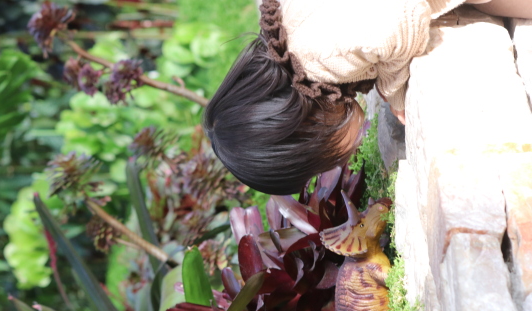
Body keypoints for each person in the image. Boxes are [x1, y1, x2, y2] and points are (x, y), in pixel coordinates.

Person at [203, 0, 532, 195]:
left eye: (316, 167)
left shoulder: (322, 56)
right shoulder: (288, 30)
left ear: (305, 135)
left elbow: (401, 17)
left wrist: (394, 88)